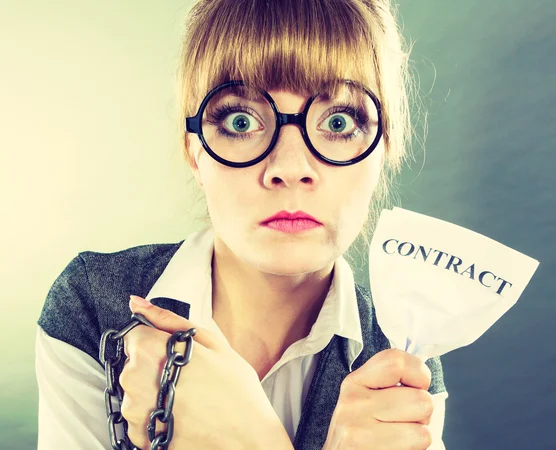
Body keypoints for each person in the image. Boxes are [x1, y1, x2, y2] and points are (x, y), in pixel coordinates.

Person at [35, 0, 449, 449]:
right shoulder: (91, 307)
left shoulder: (404, 370)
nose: (290, 168)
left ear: (384, 148)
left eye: (339, 120)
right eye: (241, 121)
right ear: (194, 150)